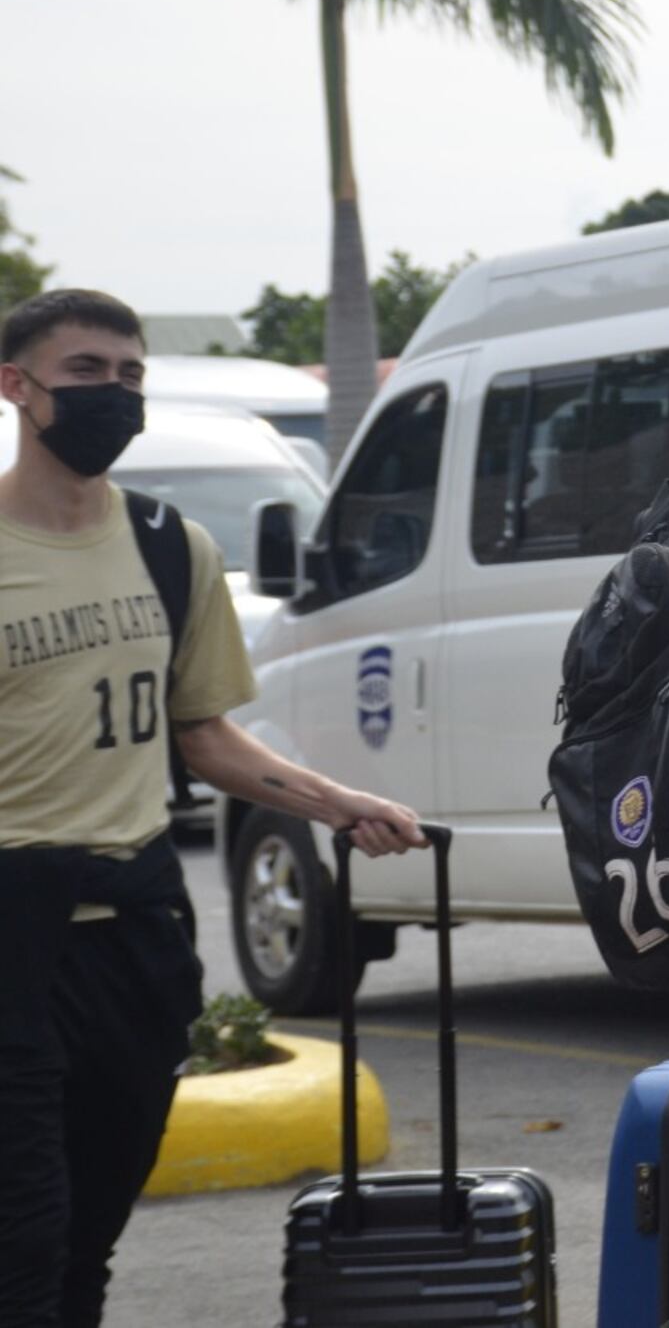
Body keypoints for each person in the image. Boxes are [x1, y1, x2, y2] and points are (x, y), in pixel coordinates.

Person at [0, 289, 424, 1328]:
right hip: (11, 933)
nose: (115, 393)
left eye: (131, 373)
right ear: (19, 386)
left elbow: (203, 733)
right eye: (88, 371)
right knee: (24, 1235)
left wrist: (336, 801)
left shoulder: (166, 544)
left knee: (92, 1228)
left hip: (136, 938)